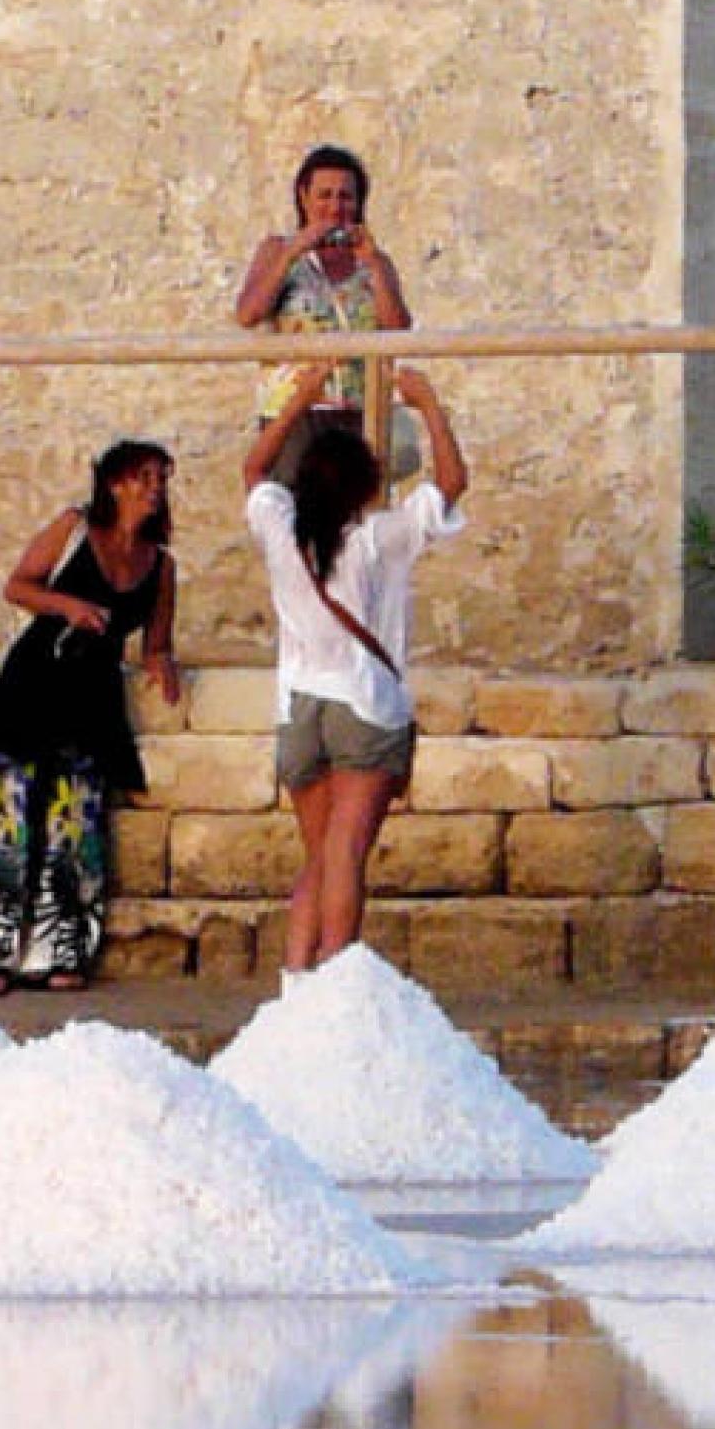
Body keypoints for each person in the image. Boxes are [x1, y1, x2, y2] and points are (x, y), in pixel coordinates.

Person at [244, 363, 468, 974]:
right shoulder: (377, 539)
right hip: (363, 704)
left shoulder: (282, 530)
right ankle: (336, 975)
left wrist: (297, 402)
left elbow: (254, 471)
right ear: (368, 485)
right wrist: (426, 403)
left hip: (299, 707)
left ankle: (296, 978)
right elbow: (451, 481)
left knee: (316, 855)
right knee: (345, 855)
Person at [0, 440, 180, 993]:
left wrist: (163, 666)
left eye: (160, 477)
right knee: (13, 823)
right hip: (34, 684)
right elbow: (17, 586)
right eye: (143, 477)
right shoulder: (74, 528)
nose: (154, 488)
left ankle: (62, 951)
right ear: (114, 484)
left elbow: (157, 642)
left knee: (76, 826)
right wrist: (70, 607)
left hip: (92, 699)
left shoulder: (160, 567)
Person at [233, 145, 415, 477]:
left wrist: (372, 263)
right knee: (293, 510)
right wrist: (293, 253)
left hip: (360, 410)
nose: (335, 207)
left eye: (346, 197)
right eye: (324, 195)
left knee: (358, 514)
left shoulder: (375, 261)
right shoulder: (277, 250)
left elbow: (397, 328)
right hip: (292, 411)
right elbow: (249, 314)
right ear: (304, 197)